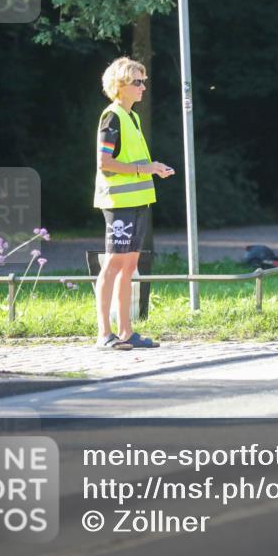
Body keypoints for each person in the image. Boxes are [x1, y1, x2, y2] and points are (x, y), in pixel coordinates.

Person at [93, 57, 174, 350]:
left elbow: (133, 161)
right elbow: (105, 163)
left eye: (144, 81)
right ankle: (104, 333)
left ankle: (126, 332)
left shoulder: (133, 117)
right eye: (137, 82)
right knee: (113, 265)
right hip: (118, 203)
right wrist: (146, 169)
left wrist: (154, 167)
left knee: (129, 266)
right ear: (121, 85)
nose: (143, 87)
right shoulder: (111, 116)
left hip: (138, 202)